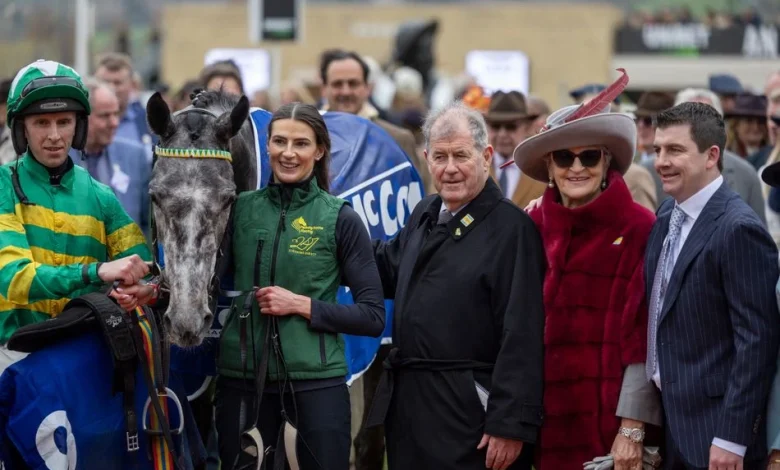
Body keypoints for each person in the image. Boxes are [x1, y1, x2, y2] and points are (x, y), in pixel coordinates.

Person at [367, 101, 545, 470]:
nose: (449, 169)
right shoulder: (426, 213)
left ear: (486, 156)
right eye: (440, 157)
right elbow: (388, 266)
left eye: (461, 156)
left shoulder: (512, 230)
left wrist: (509, 424)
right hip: (412, 408)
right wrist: (330, 233)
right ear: (427, 158)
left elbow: (523, 334)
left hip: (471, 417)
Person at [213, 102, 386, 469]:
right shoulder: (239, 210)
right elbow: (204, 283)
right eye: (279, 141)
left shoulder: (340, 218)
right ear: (267, 146)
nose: (288, 153)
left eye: (301, 144)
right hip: (242, 379)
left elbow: (372, 316)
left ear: (320, 150)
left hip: (317, 385)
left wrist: (301, 305)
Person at [515, 89, 661, 469]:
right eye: (564, 156)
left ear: (607, 161)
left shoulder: (639, 228)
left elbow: (643, 341)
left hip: (608, 431)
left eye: (589, 156)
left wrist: (631, 430)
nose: (576, 167)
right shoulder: (530, 226)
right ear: (549, 166)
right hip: (539, 430)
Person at [647, 102, 780, 469]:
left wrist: (732, 437)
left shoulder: (739, 229)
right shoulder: (666, 216)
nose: (661, 161)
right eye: (657, 150)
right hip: (671, 427)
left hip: (718, 439)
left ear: (712, 156)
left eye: (675, 150)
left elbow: (757, 341)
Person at [0, 59, 152, 373]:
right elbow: (15, 278)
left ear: (79, 126)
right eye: (42, 122)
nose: (55, 135)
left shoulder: (101, 196)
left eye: (64, 121)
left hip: (83, 356)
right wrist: (96, 273)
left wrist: (144, 288)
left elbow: (141, 266)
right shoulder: (4, 186)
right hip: (13, 355)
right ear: (21, 129)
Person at [69, 77, 151, 236]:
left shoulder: (135, 155)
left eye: (116, 114)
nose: (114, 122)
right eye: (105, 115)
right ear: (82, 117)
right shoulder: (58, 159)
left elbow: (146, 223)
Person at [485, 90, 547, 207]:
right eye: (496, 126)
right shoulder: (476, 168)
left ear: (527, 128)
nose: (502, 134)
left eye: (511, 127)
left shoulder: (542, 171)